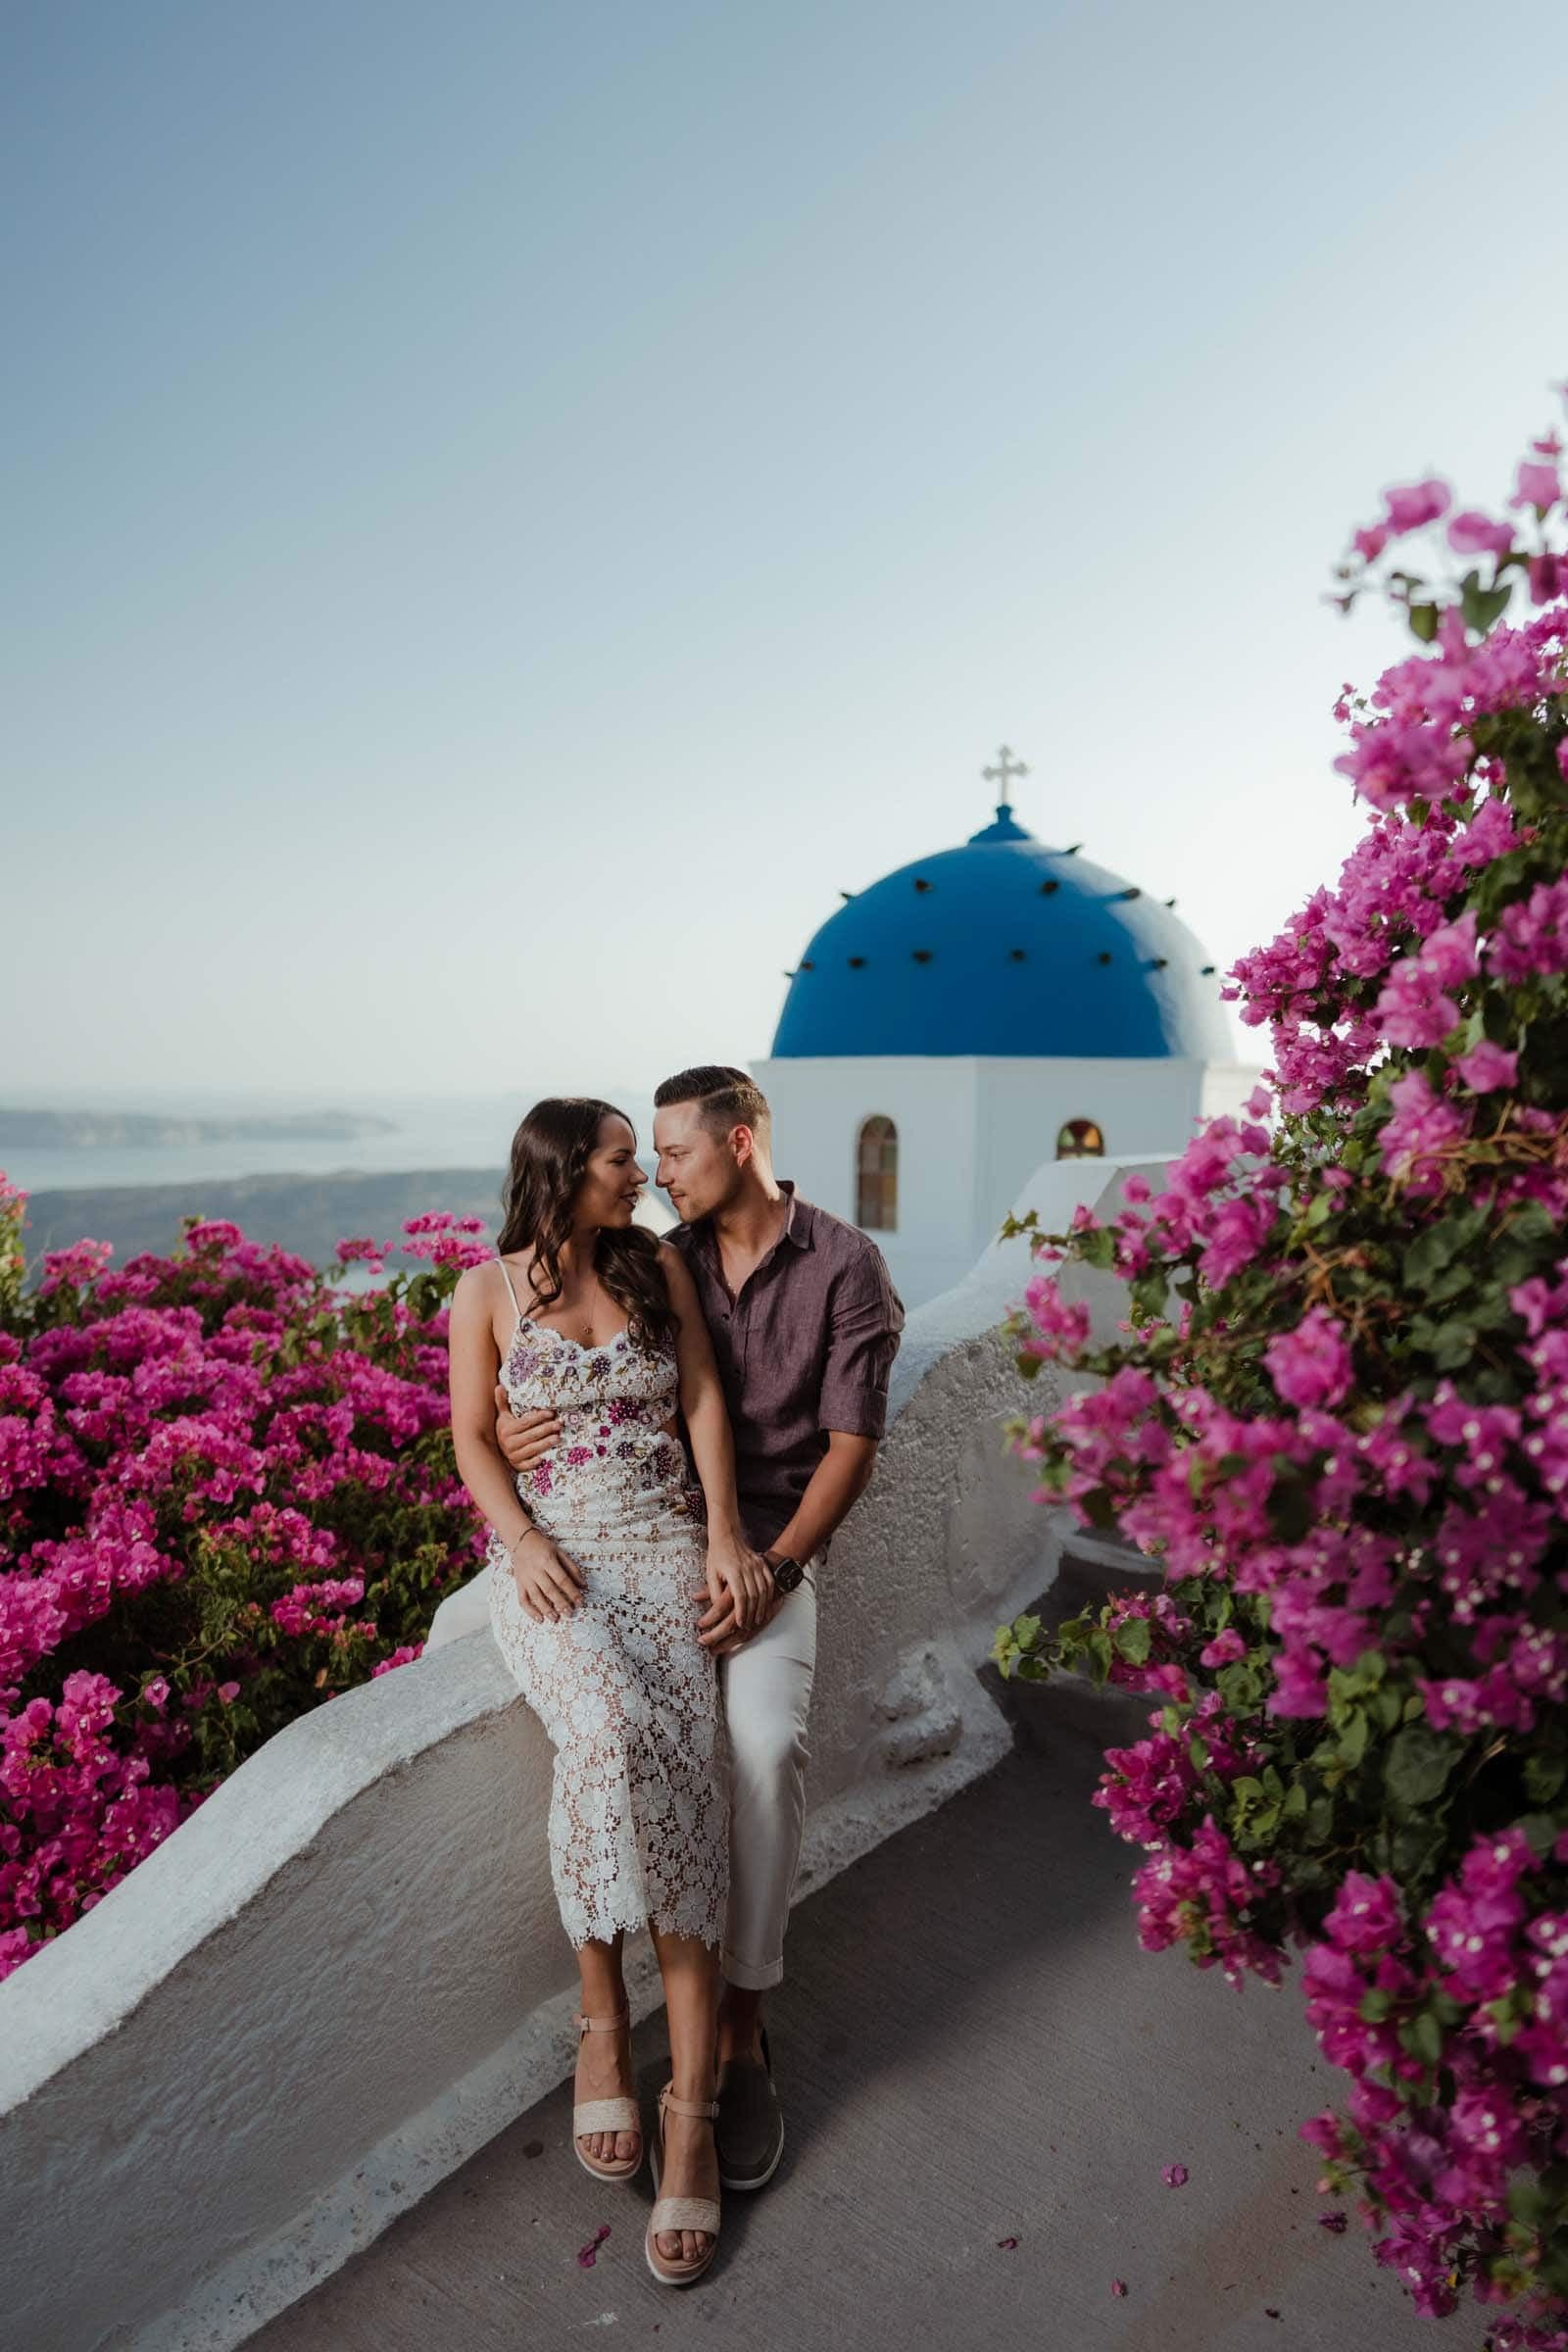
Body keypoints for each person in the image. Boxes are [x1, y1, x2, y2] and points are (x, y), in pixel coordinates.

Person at [495, 1066, 905, 2197]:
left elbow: (850, 1448)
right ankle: (618, 2028)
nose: (658, 1172)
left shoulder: (843, 1267)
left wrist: (768, 1566)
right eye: (645, 1158)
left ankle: (738, 2031)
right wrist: (507, 1430)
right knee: (636, 1741)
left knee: (764, 1752)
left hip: (765, 1554)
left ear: (735, 1141)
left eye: (671, 1153)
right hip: (654, 1551)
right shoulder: (651, 1254)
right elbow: (550, 1370)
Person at [449, 1096, 773, 2287]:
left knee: (689, 1812)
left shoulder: (657, 1272)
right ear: (561, 1172)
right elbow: (470, 1437)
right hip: (556, 1575)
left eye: (644, 1157)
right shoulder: (482, 1294)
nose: (640, 1173)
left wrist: (725, 1536)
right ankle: (601, 2022)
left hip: (665, 1556)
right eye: (620, 1159)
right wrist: (519, 1538)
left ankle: (688, 2111)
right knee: (603, 1730)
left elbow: (701, 1402)